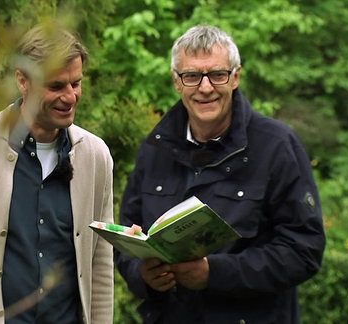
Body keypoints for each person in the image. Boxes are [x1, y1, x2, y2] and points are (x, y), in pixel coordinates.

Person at [116, 24, 326, 323]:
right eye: (191, 76)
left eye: (217, 74)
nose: (205, 88)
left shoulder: (276, 146)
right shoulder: (154, 149)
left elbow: (304, 250)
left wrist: (215, 274)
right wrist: (143, 275)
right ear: (177, 82)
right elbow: (128, 235)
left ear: (235, 77)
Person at [0, 22, 114, 324]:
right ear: (22, 80)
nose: (70, 97)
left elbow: (100, 263)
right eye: (56, 86)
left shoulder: (95, 156)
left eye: (75, 83)